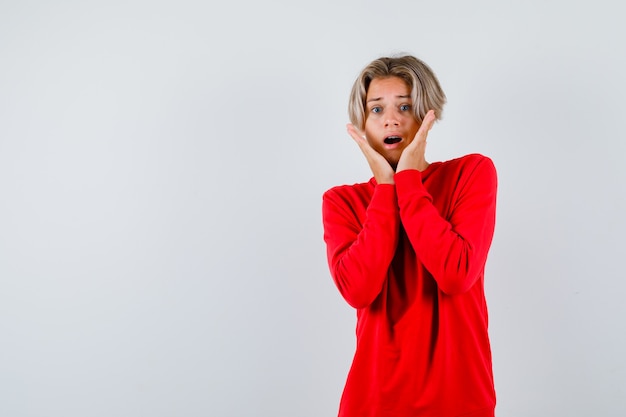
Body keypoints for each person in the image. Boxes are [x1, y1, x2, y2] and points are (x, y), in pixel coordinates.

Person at [322, 55, 498, 417]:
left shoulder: (472, 173)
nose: (391, 118)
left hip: (459, 401)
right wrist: (386, 191)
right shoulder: (342, 201)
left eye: (405, 106)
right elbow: (358, 289)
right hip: (372, 404)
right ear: (361, 123)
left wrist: (407, 183)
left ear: (427, 116)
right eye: (376, 109)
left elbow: (456, 274)